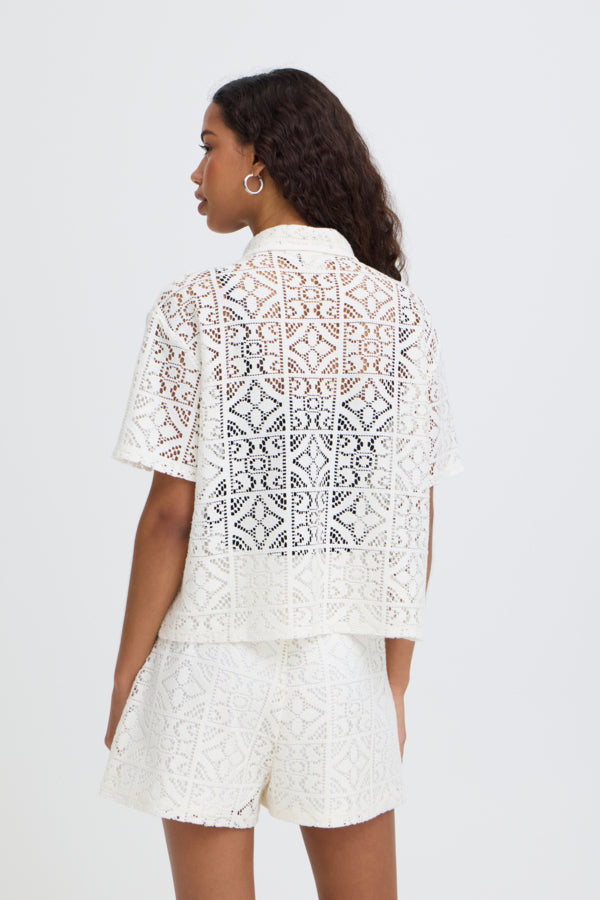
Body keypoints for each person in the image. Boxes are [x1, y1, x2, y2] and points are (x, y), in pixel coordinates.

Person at [98, 67, 464, 900]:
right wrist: (394, 682)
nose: (197, 172)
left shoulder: (196, 308)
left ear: (259, 158)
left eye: (209, 147)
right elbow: (411, 522)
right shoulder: (400, 317)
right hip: (344, 669)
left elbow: (170, 518)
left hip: (207, 665)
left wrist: (126, 676)